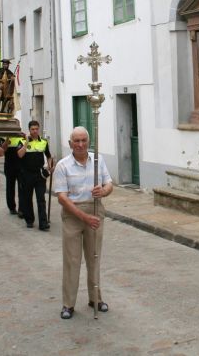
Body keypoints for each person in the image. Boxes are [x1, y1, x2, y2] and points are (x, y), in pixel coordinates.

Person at [54, 126, 113, 320]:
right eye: (76, 141)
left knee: (94, 257)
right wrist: (83, 216)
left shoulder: (98, 160)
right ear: (70, 144)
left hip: (95, 211)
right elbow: (62, 198)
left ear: (88, 142)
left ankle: (95, 298)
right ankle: (68, 304)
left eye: (83, 141)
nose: (80, 144)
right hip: (73, 213)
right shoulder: (63, 166)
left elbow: (109, 184)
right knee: (72, 260)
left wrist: (103, 191)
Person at [17, 121, 53, 230]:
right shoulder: (22, 141)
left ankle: (43, 223)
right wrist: (26, 143)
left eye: (36, 129)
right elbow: (19, 154)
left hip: (39, 174)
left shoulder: (44, 142)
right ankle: (29, 220)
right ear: (29, 130)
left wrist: (50, 167)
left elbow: (48, 156)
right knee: (27, 198)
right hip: (26, 174)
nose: (35, 131)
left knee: (41, 198)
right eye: (32, 129)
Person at [1, 132, 25, 217]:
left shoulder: (22, 137)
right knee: (10, 187)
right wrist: (8, 138)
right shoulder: (4, 137)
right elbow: (2, 150)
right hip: (9, 166)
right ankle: (12, 207)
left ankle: (21, 209)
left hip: (21, 167)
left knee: (22, 188)